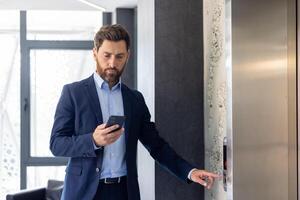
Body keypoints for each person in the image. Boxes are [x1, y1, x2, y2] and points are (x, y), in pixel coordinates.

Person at [50, 24, 219, 200]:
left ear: (127, 56)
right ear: (95, 53)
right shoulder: (73, 93)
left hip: (124, 192)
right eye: (106, 56)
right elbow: (56, 143)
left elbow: (156, 145)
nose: (112, 63)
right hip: (82, 193)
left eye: (119, 56)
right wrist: (92, 140)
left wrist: (190, 172)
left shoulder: (134, 99)